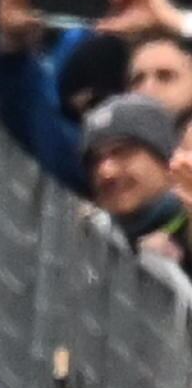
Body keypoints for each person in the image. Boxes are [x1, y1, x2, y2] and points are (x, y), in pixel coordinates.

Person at [79, 95, 191, 263]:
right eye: (95, 161)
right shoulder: (91, 248)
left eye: (121, 152)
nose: (106, 172)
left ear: (166, 160)